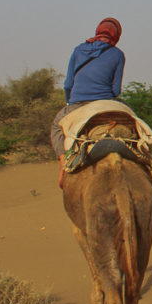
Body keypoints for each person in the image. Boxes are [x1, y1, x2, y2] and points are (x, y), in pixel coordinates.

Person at [50, 17, 126, 186]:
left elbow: (68, 84)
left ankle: (63, 162)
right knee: (133, 120)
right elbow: (116, 90)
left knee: (56, 125)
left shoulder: (78, 50)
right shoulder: (118, 54)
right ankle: (144, 156)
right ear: (116, 35)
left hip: (77, 104)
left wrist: (70, 102)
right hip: (105, 103)